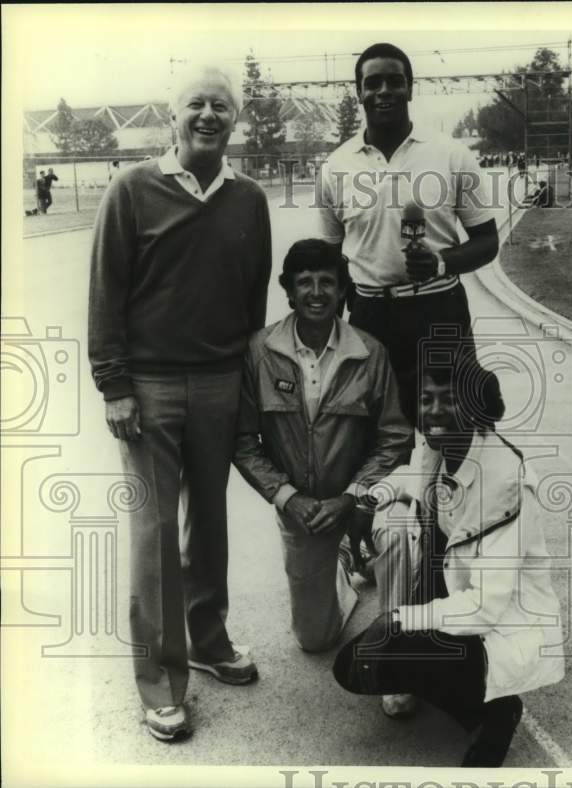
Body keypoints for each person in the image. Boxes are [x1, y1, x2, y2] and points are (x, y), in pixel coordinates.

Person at [88, 63, 272, 742]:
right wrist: (115, 385)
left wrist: (250, 384)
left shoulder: (248, 199)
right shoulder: (132, 189)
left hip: (221, 381)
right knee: (155, 535)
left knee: (211, 524)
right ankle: (161, 682)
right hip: (151, 387)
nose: (208, 115)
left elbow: (253, 302)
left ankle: (210, 641)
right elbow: (106, 293)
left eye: (221, 106)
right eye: (196, 104)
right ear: (174, 116)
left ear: (234, 120)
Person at [333, 344, 565, 767]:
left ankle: (495, 710)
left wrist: (401, 619)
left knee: (387, 646)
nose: (435, 410)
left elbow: (484, 607)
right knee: (357, 666)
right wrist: (376, 494)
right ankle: (462, 689)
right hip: (458, 600)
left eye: (449, 398)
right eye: (426, 399)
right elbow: (415, 479)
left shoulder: (504, 485)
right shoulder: (442, 449)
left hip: (496, 621)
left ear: (475, 407)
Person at [233, 238, 411, 654]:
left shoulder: (370, 353)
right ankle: (344, 560)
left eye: (327, 282)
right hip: (305, 514)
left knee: (402, 534)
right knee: (314, 639)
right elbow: (243, 442)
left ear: (343, 289)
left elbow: (396, 437)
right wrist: (288, 498)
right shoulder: (259, 352)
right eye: (305, 282)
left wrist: (353, 496)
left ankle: (398, 653)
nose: (317, 292)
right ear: (288, 289)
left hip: (366, 502)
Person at [319, 42, 499, 425]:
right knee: (377, 438)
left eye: (394, 82)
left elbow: (488, 242)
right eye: (373, 83)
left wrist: (440, 261)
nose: (384, 91)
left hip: (439, 309)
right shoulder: (335, 167)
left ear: (410, 89)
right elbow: (330, 263)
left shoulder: (451, 155)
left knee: (453, 429)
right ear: (359, 93)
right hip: (370, 315)